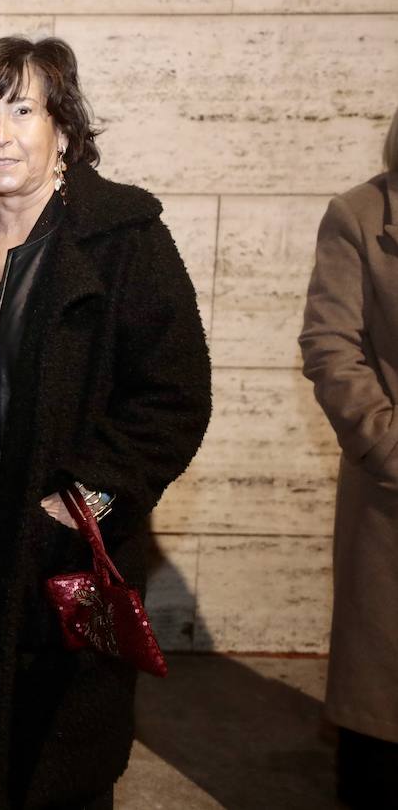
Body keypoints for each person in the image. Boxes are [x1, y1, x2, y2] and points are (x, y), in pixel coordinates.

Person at [0, 36, 211, 809]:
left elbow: (175, 394)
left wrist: (90, 494)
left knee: (47, 767)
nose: (1, 133)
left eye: (24, 109)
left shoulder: (122, 240)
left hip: (46, 551)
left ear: (63, 126)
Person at [299, 105, 398, 809]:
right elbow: (331, 346)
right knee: (384, 725)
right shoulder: (363, 215)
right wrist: (389, 444)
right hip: (393, 498)